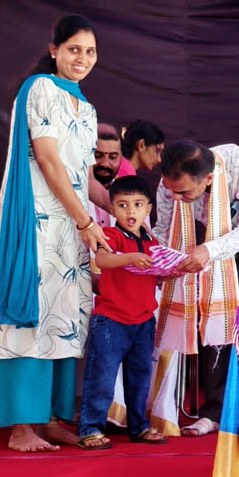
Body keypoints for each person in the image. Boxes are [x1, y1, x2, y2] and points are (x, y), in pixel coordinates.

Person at [0, 14, 112, 453]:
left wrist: (125, 210)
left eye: (90, 51)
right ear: (55, 50)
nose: (82, 58)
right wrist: (86, 221)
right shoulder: (40, 89)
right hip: (34, 220)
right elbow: (50, 161)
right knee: (31, 316)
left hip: (70, 226)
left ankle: (50, 418)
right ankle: (21, 427)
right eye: (74, 49)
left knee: (64, 316)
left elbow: (84, 176)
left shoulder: (87, 108)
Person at [153, 140, 239, 437]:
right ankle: (213, 412)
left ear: (209, 179)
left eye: (184, 193)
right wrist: (160, 264)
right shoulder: (170, 182)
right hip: (213, 239)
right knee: (215, 317)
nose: (176, 198)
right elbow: (163, 228)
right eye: (171, 190)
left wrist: (209, 250)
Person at [78, 176, 168, 449]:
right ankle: (90, 428)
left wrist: (170, 271)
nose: (131, 211)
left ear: (148, 209)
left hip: (144, 321)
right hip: (111, 320)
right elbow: (102, 259)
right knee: (102, 377)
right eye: (123, 205)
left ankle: (139, 426)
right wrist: (130, 258)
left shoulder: (151, 240)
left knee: (140, 378)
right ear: (112, 209)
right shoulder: (110, 235)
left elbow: (155, 275)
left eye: (138, 205)